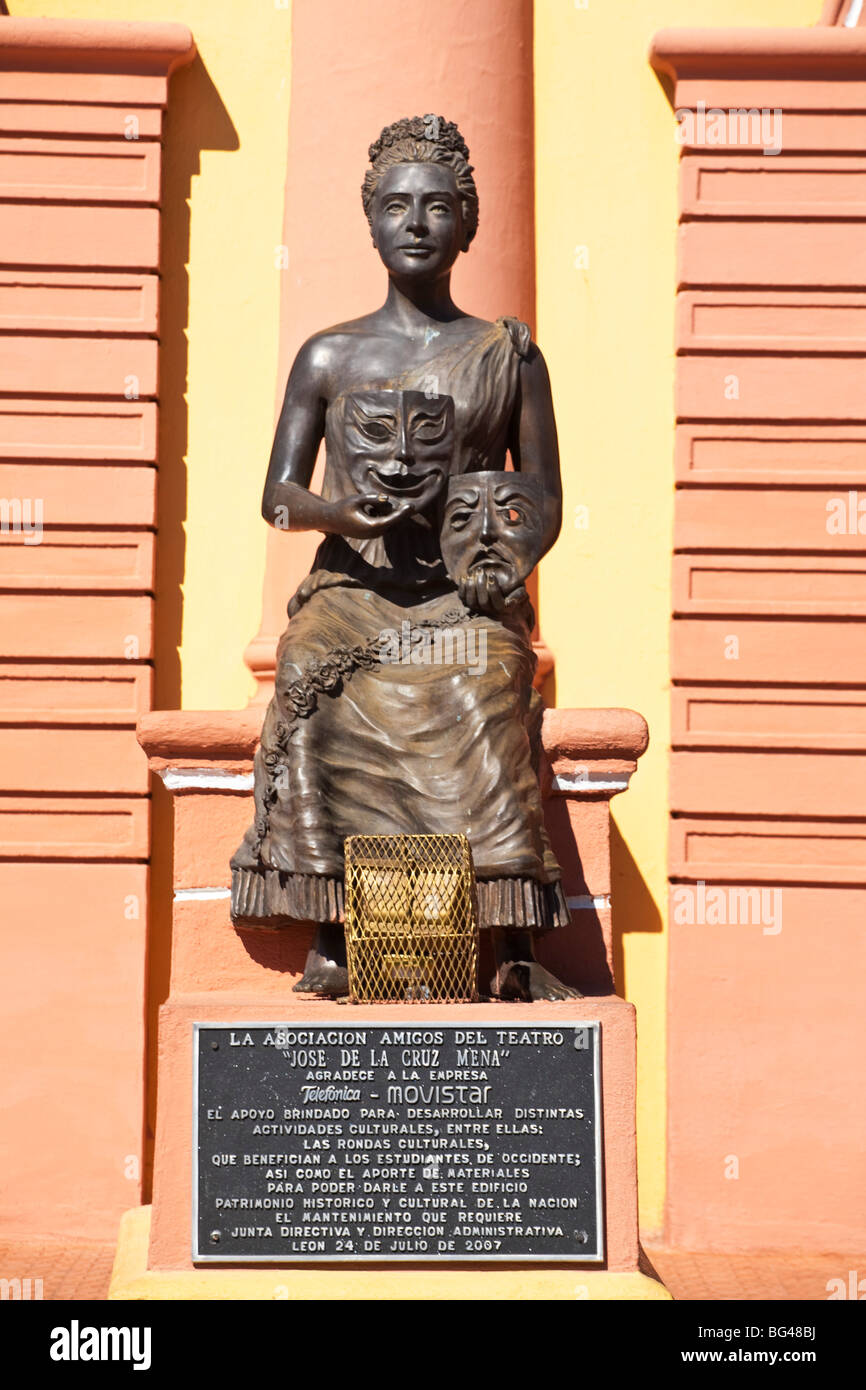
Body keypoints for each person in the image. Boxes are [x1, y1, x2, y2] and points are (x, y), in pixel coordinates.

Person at [230, 114, 580, 1001]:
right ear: (372, 222)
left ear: (467, 224)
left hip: (460, 601)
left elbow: (542, 492)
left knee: (488, 682)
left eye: (436, 207)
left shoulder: (508, 356)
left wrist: (497, 557)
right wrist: (336, 513)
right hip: (353, 590)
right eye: (396, 206)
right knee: (308, 674)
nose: (416, 222)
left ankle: (505, 942)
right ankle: (333, 930)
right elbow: (279, 494)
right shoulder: (329, 353)